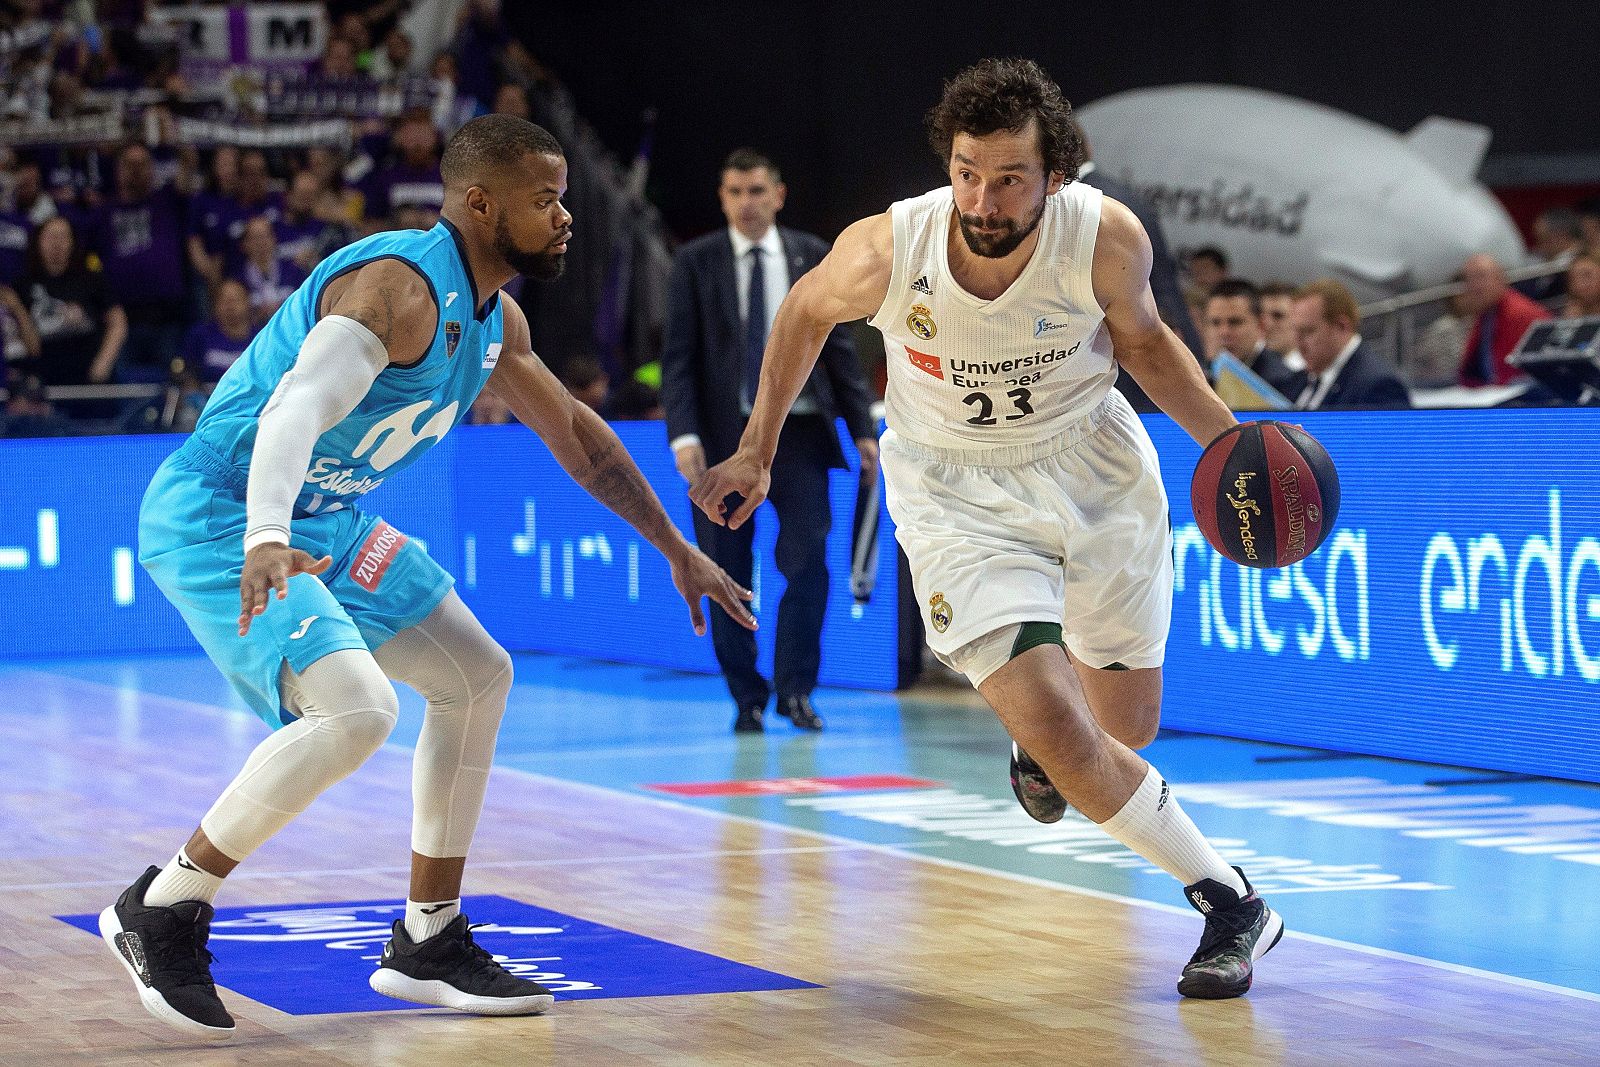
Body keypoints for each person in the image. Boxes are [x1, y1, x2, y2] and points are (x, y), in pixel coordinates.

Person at [99, 115, 755, 1040]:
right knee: (358, 711)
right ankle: (162, 905)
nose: (566, 216)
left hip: (328, 513)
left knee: (478, 675)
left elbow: (580, 440)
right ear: (481, 204)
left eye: (565, 195)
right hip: (228, 508)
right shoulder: (396, 289)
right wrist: (265, 534)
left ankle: (427, 936)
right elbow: (293, 410)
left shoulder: (497, 318)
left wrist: (674, 547)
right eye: (546, 199)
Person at [692, 58, 1281, 998]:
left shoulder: (1102, 238)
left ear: (1056, 175)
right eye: (968, 170)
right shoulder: (895, 246)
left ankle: (1040, 744)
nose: (984, 195)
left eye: (1009, 177)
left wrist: (1230, 453)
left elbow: (1146, 346)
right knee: (1065, 732)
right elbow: (803, 312)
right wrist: (758, 447)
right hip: (953, 490)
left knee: (1126, 728)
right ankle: (1231, 900)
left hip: (1092, 469)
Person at [661, 148, 877, 734]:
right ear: (722, 198)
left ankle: (797, 689)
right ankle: (746, 695)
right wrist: (682, 435)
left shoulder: (812, 254)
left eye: (757, 191)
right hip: (722, 440)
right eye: (735, 192)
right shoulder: (694, 263)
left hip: (802, 437)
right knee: (725, 569)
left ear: (778, 195)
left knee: (809, 564)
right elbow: (676, 359)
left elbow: (838, 350)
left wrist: (861, 428)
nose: (747, 203)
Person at [1289, 279, 1411, 409]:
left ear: (1341, 326)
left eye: (1308, 331)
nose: (1298, 342)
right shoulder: (1300, 380)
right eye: (1296, 331)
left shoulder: (1379, 386)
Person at [1457, 252, 1551, 387]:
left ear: (1500, 278)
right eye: (1468, 279)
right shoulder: (1486, 313)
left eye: (1480, 277)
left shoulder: (1524, 315)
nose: (1474, 286)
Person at [1203, 279, 1305, 399]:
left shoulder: (1281, 381)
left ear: (1260, 325)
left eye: (1235, 322)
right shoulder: (1204, 373)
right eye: (1215, 323)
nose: (1224, 332)